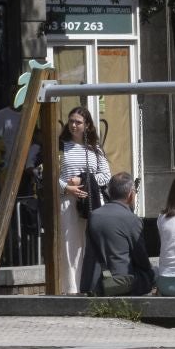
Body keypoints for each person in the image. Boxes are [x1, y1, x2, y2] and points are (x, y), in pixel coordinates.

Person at [55, 106, 112, 294]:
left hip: (91, 200)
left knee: (91, 243)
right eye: (71, 121)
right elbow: (49, 176)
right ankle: (72, 289)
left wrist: (83, 179)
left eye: (78, 122)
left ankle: (91, 285)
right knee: (70, 245)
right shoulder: (61, 146)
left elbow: (105, 176)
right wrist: (67, 188)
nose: (73, 125)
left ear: (87, 125)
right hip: (68, 201)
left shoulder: (95, 149)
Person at [81, 172, 155, 296]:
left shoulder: (93, 216)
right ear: (131, 194)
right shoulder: (132, 220)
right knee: (155, 273)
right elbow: (142, 261)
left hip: (94, 284)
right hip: (119, 284)